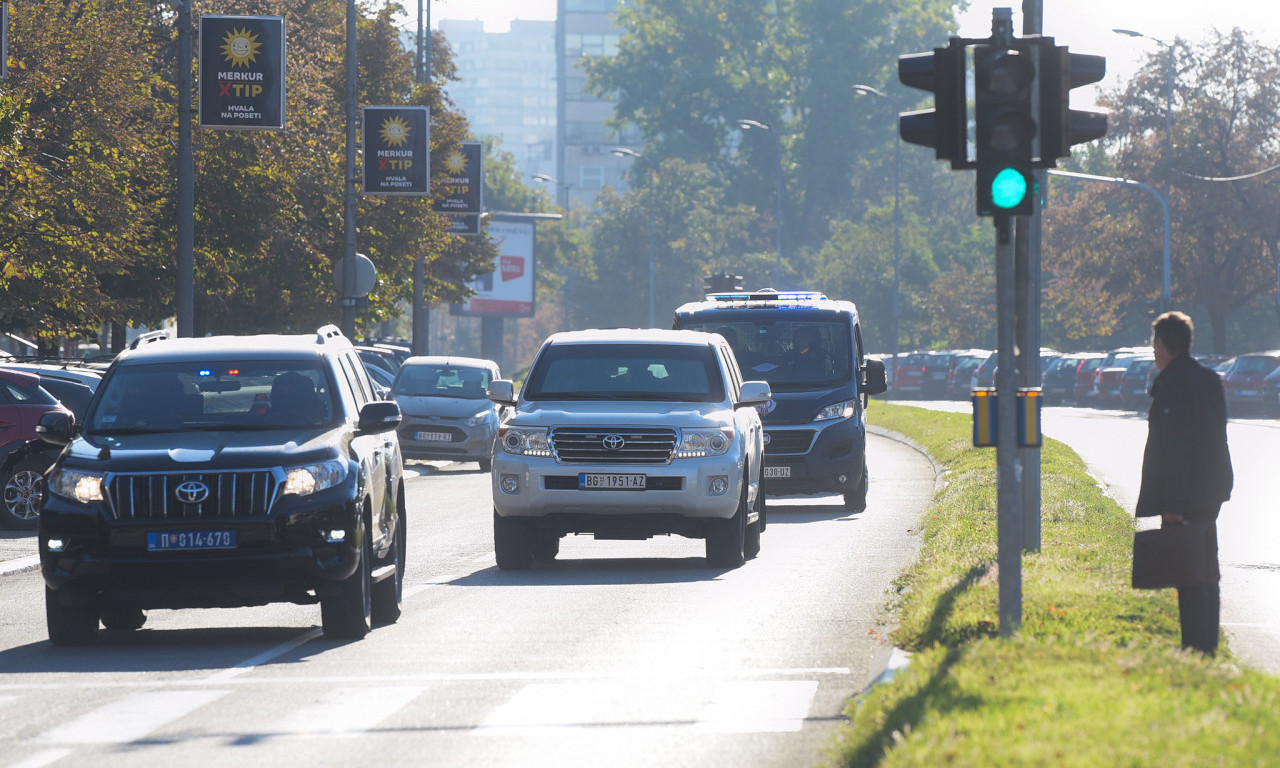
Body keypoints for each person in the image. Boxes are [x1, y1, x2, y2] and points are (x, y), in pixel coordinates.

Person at [1135, 311, 1233, 655]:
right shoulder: (1207, 378)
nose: (1153, 351)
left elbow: (1177, 449)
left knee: (1189, 571)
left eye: (1154, 344)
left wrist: (1173, 507)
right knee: (1206, 567)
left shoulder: (1174, 384)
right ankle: (1206, 645)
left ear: (1163, 344)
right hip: (1212, 488)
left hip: (1188, 494)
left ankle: (1195, 647)